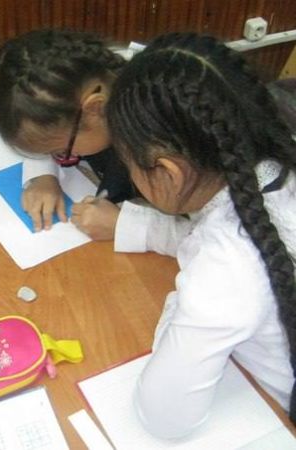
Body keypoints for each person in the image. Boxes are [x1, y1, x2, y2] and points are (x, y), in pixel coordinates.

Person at [106, 32, 296, 438]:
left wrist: (179, 303)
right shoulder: (277, 162)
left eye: (128, 165)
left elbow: (164, 418)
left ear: (168, 173)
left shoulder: (225, 268)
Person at [0, 29, 135, 237]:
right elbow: (46, 130)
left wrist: (128, 226)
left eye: (60, 151)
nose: (58, 155)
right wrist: (43, 174)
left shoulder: (161, 130)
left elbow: (187, 232)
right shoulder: (89, 83)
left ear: (95, 109)